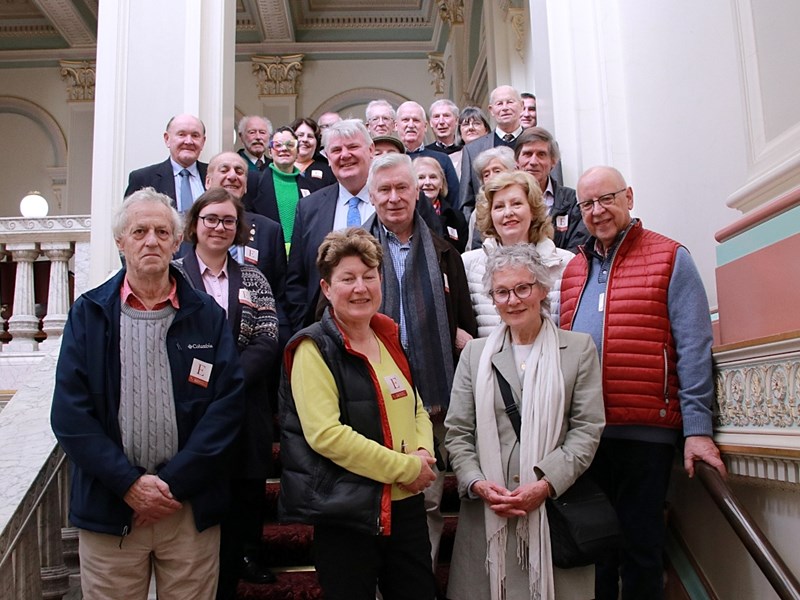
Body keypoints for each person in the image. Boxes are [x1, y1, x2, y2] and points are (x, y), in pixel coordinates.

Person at [51, 188, 245, 599]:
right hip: (111, 506)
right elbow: (70, 414)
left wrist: (172, 484)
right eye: (139, 231)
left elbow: (226, 409)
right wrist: (129, 484)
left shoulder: (207, 315)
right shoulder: (89, 314)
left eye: (161, 231)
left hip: (188, 508)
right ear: (121, 242)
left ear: (178, 242)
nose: (151, 240)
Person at [559, 166, 727, 600]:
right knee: (594, 550)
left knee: (641, 549)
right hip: (586, 436)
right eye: (587, 204)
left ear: (629, 197)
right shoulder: (573, 270)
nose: (597, 211)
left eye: (607, 198)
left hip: (645, 434)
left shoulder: (670, 257)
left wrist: (697, 430)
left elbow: (693, 347)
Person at [279, 227, 437, 600]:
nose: (361, 287)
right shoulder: (312, 348)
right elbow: (326, 435)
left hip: (406, 508)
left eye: (369, 276)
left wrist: (422, 454)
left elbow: (416, 407)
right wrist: (407, 468)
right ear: (327, 288)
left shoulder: (387, 334)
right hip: (348, 512)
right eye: (347, 279)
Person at [445, 243, 605, 600]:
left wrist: (545, 484)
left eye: (522, 288)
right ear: (492, 298)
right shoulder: (474, 355)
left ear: (543, 289)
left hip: (552, 509)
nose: (513, 300)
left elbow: (587, 429)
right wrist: (477, 483)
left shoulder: (578, 350)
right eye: (501, 292)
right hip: (488, 513)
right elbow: (458, 432)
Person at [362, 153, 477, 580]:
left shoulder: (447, 253)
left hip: (433, 397)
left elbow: (463, 325)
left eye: (402, 188)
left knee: (427, 498)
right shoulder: (354, 251)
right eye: (384, 190)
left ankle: (418, 584)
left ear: (417, 191)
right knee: (375, 495)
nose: (394, 198)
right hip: (372, 395)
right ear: (371, 196)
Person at [173, 188, 280, 598]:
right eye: (211, 218)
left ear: (239, 230)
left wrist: (223, 380)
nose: (219, 227)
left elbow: (267, 339)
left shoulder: (253, 278)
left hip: (242, 404)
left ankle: (242, 558)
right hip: (186, 407)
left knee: (244, 491)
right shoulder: (173, 273)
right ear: (195, 224)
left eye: (228, 221)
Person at [286, 119, 376, 330]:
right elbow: (296, 279)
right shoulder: (308, 208)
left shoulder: (391, 200)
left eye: (353, 146)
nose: (345, 155)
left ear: (371, 150)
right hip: (324, 331)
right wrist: (306, 329)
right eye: (336, 150)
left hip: (384, 329)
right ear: (327, 158)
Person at [463, 170, 573, 337]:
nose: (508, 213)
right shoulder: (468, 265)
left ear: (533, 210)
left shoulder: (565, 263)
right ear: (490, 215)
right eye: (499, 206)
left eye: (516, 204)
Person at [200, 151, 290, 345]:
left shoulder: (270, 230)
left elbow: (280, 295)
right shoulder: (188, 230)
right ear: (208, 181)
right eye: (224, 170)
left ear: (246, 185)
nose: (232, 176)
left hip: (258, 346)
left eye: (239, 171)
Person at [515, 127, 588, 253]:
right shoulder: (502, 200)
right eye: (527, 154)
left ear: (553, 162)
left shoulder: (572, 201)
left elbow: (578, 249)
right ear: (517, 160)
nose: (533, 162)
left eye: (541, 154)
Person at [459, 85, 525, 214]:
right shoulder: (472, 150)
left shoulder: (539, 144)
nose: (505, 108)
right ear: (491, 110)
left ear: (521, 106)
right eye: (499, 104)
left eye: (510, 102)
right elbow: (466, 202)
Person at [125, 114, 207, 211]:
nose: (188, 141)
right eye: (181, 134)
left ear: (203, 141)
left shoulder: (216, 176)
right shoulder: (143, 179)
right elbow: (129, 220)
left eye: (195, 136)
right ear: (167, 139)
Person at [395, 100, 461, 212]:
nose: (411, 125)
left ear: (425, 126)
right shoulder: (390, 160)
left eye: (416, 120)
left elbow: (455, 201)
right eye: (406, 120)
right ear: (396, 125)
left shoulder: (442, 159)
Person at [413, 155, 468, 252]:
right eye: (421, 177)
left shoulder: (456, 217)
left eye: (433, 177)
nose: (427, 182)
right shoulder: (407, 215)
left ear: (441, 184)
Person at [291, 116, 336, 188]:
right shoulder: (278, 166)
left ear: (317, 142)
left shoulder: (328, 170)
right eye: (300, 135)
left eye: (310, 136)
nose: (305, 139)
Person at [452, 106, 491, 178]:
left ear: (486, 129)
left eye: (476, 123)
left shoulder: (495, 154)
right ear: (460, 132)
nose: (471, 128)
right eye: (466, 124)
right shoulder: (451, 160)